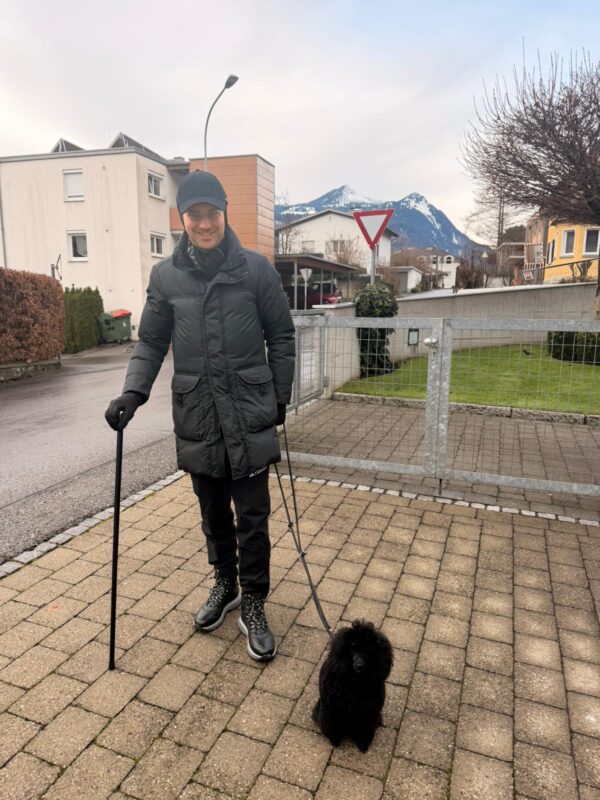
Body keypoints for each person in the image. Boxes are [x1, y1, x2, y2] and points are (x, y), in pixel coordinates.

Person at [105, 170, 295, 661]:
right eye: (195, 215)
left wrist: (279, 396)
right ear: (183, 218)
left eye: (212, 213)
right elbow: (151, 341)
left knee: (252, 517)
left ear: (224, 213)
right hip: (199, 415)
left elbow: (281, 335)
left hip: (248, 412)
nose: (205, 223)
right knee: (212, 514)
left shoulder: (257, 270)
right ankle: (226, 584)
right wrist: (133, 393)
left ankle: (254, 601)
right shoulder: (165, 277)